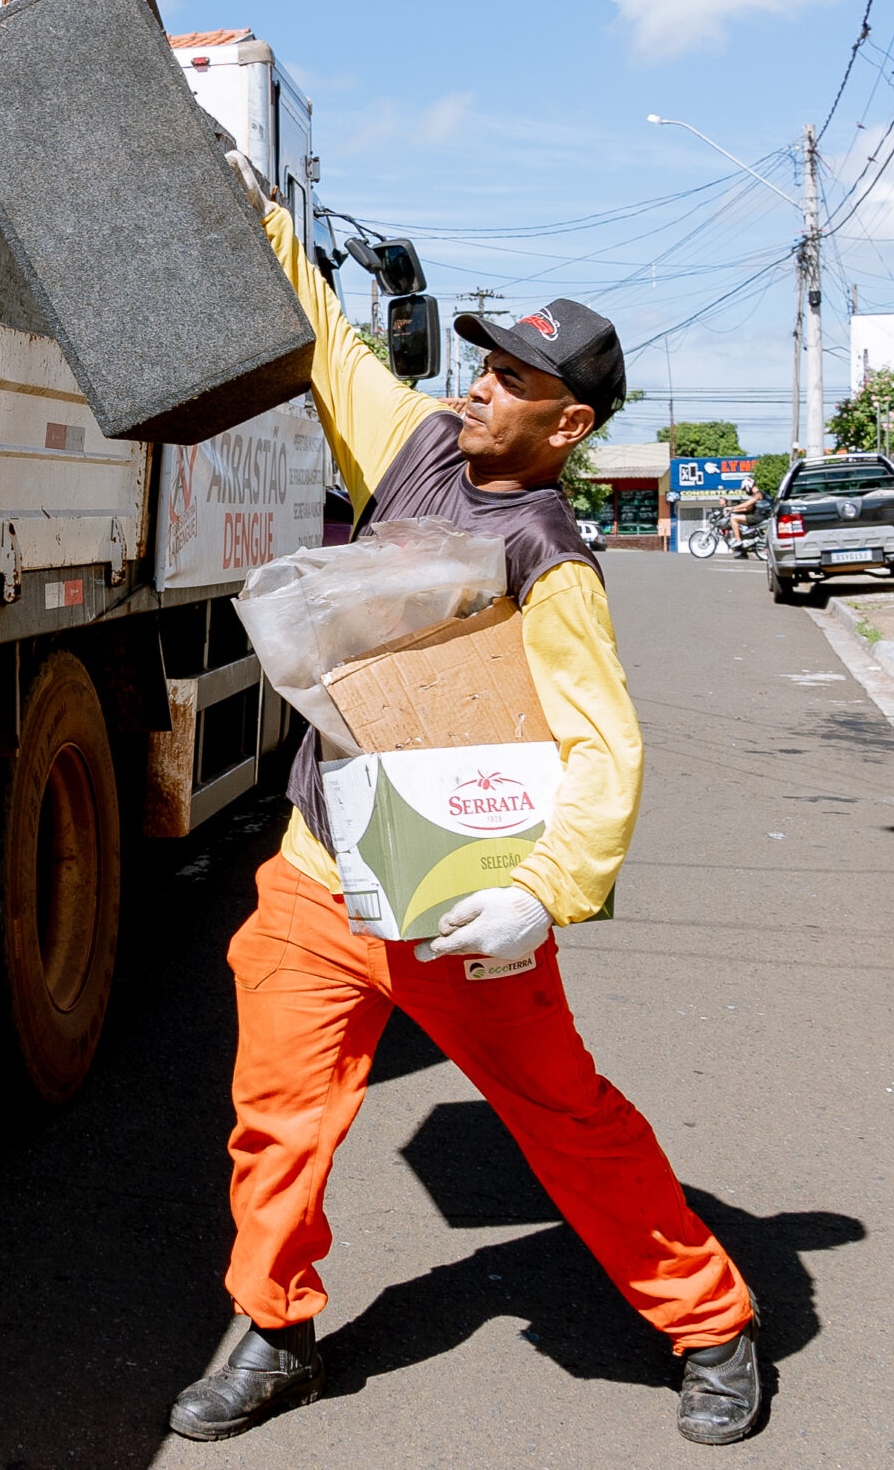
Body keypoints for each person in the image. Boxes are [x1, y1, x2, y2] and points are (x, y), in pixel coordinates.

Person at [168, 174, 761, 1448]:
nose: (480, 381)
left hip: (458, 897)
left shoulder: (551, 559)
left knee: (563, 1116)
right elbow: (327, 340)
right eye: (484, 359)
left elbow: (606, 750)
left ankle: (710, 1323)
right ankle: (275, 1332)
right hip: (323, 861)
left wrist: (535, 894)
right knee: (276, 1114)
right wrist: (254, 212)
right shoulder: (419, 444)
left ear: (568, 422)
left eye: (511, 378)